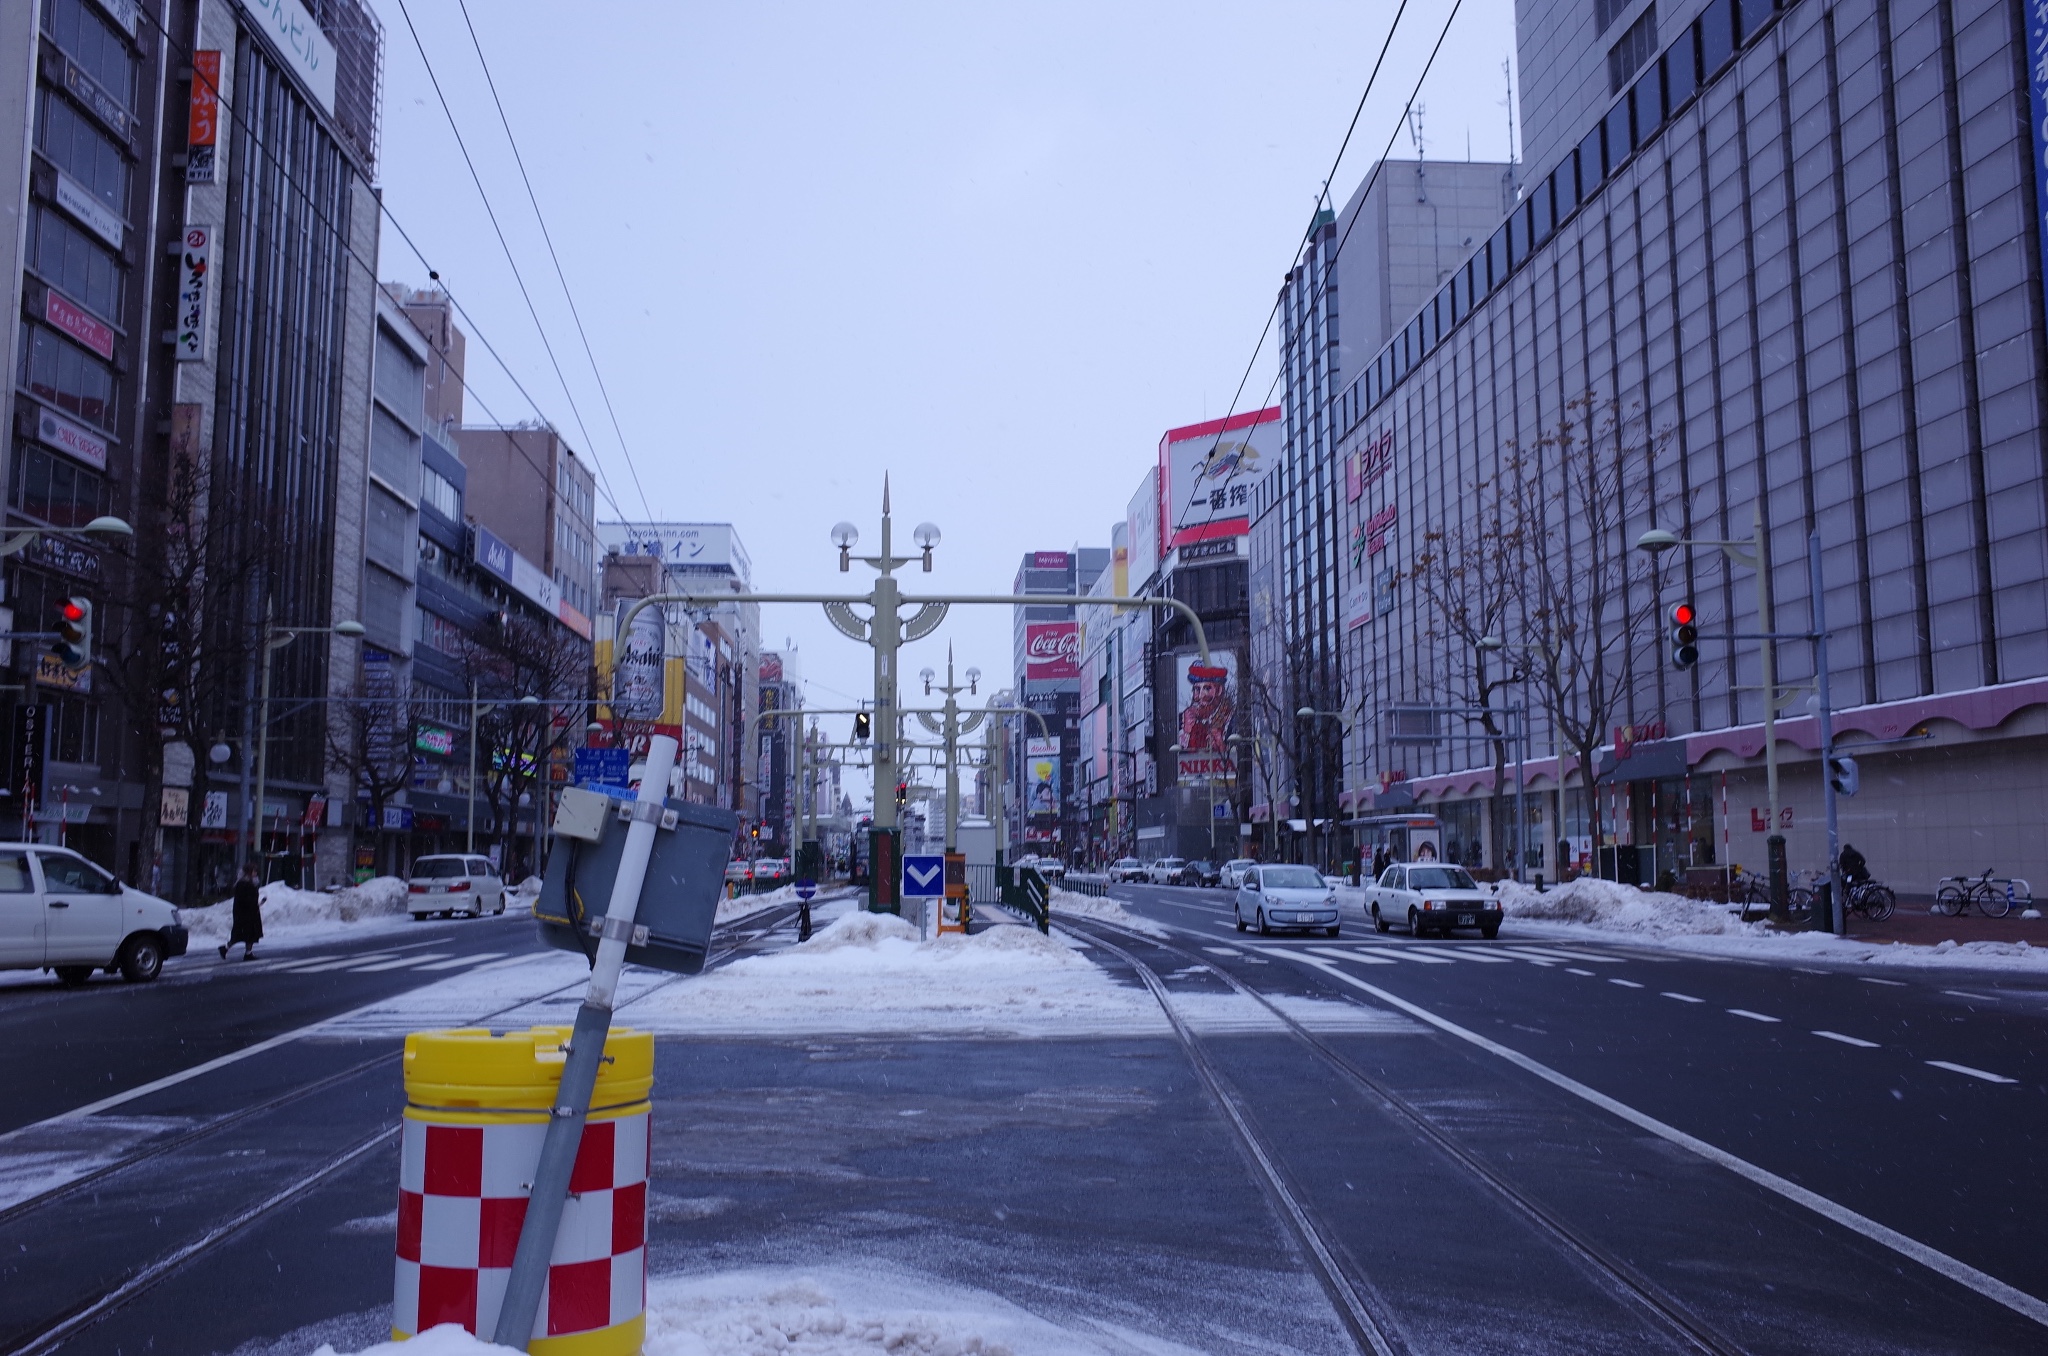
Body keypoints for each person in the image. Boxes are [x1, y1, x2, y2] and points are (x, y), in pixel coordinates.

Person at [222, 865, 262, 961]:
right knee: (241, 933)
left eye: (255, 871)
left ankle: (248, 953)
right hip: (244, 913)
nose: (255, 873)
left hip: (251, 912)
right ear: (248, 873)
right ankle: (225, 948)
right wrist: (252, 904)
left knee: (250, 934)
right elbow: (244, 899)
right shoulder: (243, 883)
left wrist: (255, 904)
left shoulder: (252, 883)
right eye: (253, 871)